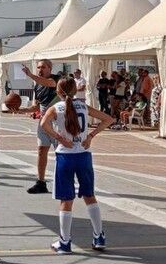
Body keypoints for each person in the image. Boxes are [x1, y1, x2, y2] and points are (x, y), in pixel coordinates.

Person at [38, 77, 112, 254]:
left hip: (65, 155)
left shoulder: (56, 108)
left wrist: (60, 138)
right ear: (75, 90)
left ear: (58, 91)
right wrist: (91, 136)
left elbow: (43, 124)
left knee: (66, 199)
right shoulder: (84, 106)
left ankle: (65, 241)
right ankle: (99, 236)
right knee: (89, 196)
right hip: (83, 155)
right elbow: (108, 119)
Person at [20, 60, 62, 194]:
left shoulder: (57, 79)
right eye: (38, 67)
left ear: (50, 68)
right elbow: (36, 107)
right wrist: (20, 110)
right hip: (43, 121)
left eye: (43, 67)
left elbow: (48, 83)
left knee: (61, 152)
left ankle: (64, 181)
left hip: (58, 121)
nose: (40, 69)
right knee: (41, 150)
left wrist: (30, 75)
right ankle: (41, 182)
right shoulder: (37, 86)